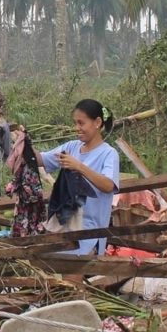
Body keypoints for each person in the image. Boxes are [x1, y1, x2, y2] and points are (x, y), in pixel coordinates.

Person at [36, 99, 120, 255]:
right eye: (75, 123)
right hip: (66, 228)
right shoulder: (71, 147)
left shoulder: (109, 154)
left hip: (90, 232)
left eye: (81, 123)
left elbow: (109, 185)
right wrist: (23, 142)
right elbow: (41, 159)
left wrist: (79, 166)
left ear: (97, 122)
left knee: (72, 277)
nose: (77, 128)